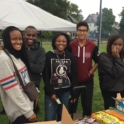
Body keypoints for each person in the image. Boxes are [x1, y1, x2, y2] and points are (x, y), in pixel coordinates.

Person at [0, 26, 36, 124]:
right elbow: (13, 90)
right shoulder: (4, 59)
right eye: (14, 39)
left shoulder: (16, 55)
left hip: (26, 105)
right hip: (19, 112)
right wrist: (28, 112)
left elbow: (25, 79)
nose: (18, 42)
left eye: (20, 39)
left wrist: (35, 92)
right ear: (7, 40)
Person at [43, 33, 77, 121]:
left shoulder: (70, 56)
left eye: (63, 41)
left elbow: (73, 75)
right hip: (51, 92)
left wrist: (73, 93)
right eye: (58, 41)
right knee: (50, 118)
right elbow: (45, 76)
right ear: (54, 42)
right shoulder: (48, 56)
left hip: (65, 92)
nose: (61, 43)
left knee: (64, 117)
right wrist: (51, 92)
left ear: (67, 43)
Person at [69, 21, 98, 117]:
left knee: (87, 106)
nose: (82, 33)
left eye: (84, 31)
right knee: (72, 105)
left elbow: (98, 61)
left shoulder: (92, 45)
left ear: (87, 32)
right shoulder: (71, 45)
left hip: (87, 81)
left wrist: (91, 71)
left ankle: (85, 120)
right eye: (80, 30)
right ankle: (74, 120)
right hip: (74, 81)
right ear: (76, 31)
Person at [98, 34, 124, 110]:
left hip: (122, 89)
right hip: (110, 91)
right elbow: (115, 73)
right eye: (115, 44)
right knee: (112, 114)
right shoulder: (104, 57)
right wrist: (117, 58)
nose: (118, 47)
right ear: (110, 45)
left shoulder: (121, 57)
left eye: (120, 44)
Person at [23, 26, 45, 113]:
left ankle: (36, 109)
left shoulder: (40, 50)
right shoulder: (19, 48)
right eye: (28, 35)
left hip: (34, 83)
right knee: (20, 110)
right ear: (24, 35)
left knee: (32, 110)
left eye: (33, 35)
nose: (31, 37)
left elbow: (39, 68)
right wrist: (32, 65)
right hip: (20, 82)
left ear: (36, 37)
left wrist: (24, 63)